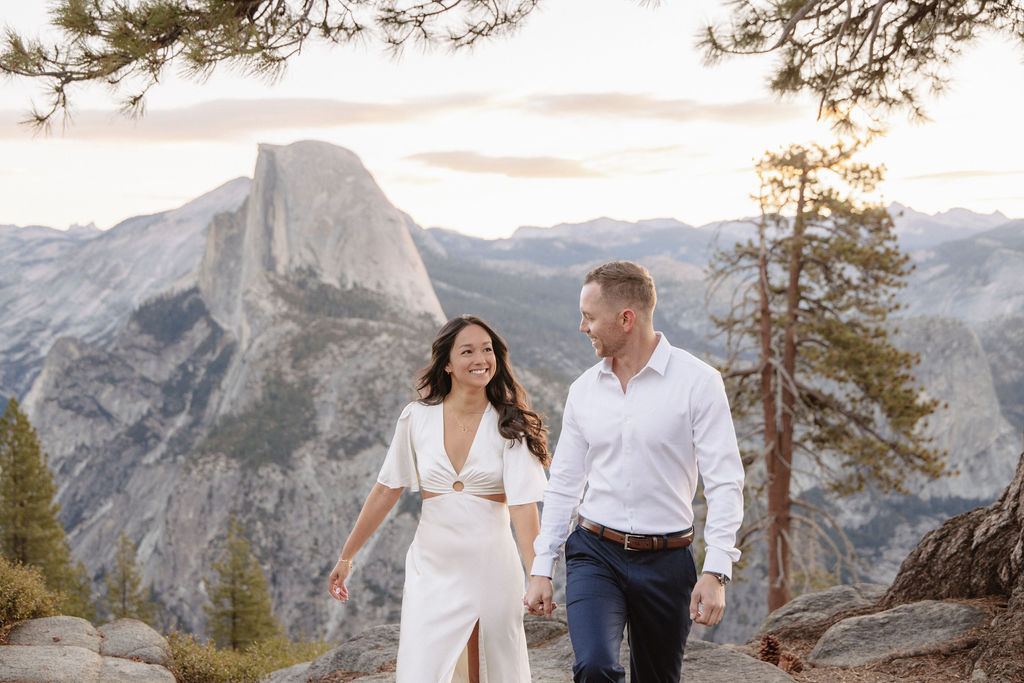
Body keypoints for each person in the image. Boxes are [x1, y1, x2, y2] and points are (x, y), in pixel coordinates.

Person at [524, 261, 745, 682]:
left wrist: (716, 570)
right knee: (595, 667)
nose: (582, 327)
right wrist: (541, 566)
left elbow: (725, 483)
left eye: (589, 317)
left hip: (668, 562)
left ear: (626, 319)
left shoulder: (699, 383)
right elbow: (565, 485)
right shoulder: (584, 391)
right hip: (595, 553)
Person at [328, 314, 550, 683]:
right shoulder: (416, 417)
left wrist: (537, 576)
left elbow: (524, 510)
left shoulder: (511, 425)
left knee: (492, 668)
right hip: (431, 568)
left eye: (487, 350)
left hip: (491, 568)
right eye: (468, 351)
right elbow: (386, 489)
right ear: (446, 363)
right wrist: (347, 557)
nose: (481, 359)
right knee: (422, 670)